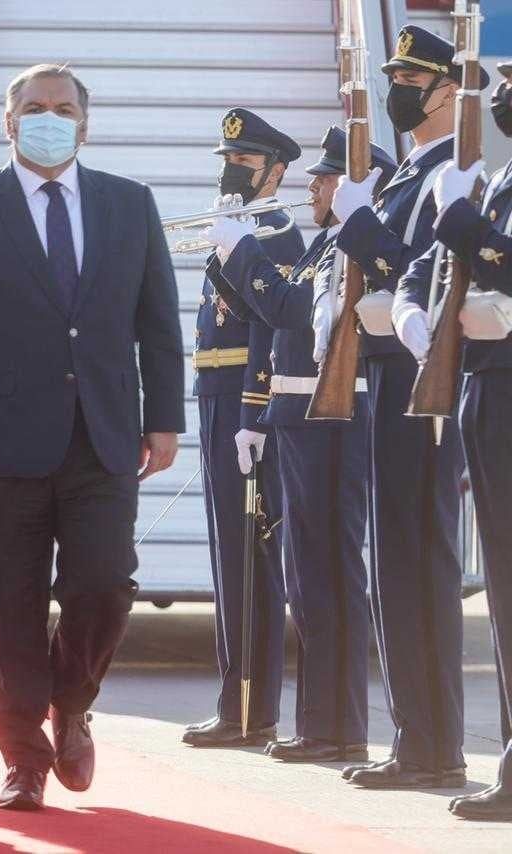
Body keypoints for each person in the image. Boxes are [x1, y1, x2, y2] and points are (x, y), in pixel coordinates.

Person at [0, 63, 184, 810]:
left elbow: (158, 324)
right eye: (33, 107)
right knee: (12, 606)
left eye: (63, 108)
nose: (48, 118)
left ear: (84, 124)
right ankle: (24, 760)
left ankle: (73, 700)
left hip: (104, 437)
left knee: (104, 586)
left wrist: (165, 417)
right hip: (1, 444)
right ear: (8, 122)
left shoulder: (129, 205)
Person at [203, 125, 396, 763]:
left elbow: (290, 312)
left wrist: (243, 256)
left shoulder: (347, 245)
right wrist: (232, 259)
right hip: (299, 419)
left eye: (329, 175)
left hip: (327, 423)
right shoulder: (327, 245)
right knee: (308, 576)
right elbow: (278, 316)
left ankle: (335, 727)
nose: (315, 185)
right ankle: (323, 724)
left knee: (327, 575)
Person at [326, 25, 484, 783]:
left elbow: (409, 266)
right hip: (390, 377)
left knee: (419, 560)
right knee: (394, 561)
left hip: (423, 382)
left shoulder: (449, 173)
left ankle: (433, 745)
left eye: (411, 79)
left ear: (447, 91)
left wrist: (356, 223)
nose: (400, 91)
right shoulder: (405, 175)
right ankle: (414, 736)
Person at [395, 59, 512, 819]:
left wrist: (460, 219)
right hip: (490, 387)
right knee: (504, 591)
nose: (503, 97)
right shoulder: (504, 180)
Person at [182, 109, 302, 750]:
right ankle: (238, 701)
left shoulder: (275, 234)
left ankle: (250, 708)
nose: (230, 172)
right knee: (229, 555)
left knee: (249, 557)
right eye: (226, 160)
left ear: (274, 172)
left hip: (243, 404)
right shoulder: (238, 230)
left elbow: (270, 328)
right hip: (214, 397)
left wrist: (255, 412)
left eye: (244, 163)